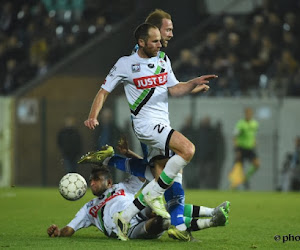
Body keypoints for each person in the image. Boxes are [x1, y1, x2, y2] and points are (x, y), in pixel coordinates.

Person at [83, 22, 218, 241]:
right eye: (154, 41)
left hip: (162, 124)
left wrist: (193, 83)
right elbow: (103, 91)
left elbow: (174, 89)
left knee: (169, 177)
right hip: (146, 126)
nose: (160, 43)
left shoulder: (163, 59)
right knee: (188, 150)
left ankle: (128, 213)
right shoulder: (126, 64)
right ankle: (156, 198)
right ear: (141, 42)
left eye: (160, 40)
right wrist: (93, 115)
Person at [47, 166, 228, 240]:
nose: (92, 183)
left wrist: (126, 155)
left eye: (96, 179)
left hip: (137, 212)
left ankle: (213, 211)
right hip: (128, 230)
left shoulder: (122, 186)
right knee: (161, 221)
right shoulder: (89, 208)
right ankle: (212, 221)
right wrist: (58, 232)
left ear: (109, 183)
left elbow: (141, 168)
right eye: (91, 180)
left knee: (164, 207)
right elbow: (70, 229)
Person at [229, 107, 260, 190]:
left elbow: (253, 135)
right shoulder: (240, 124)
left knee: (257, 164)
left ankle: (245, 178)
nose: (249, 115)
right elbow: (235, 137)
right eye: (247, 113)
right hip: (241, 148)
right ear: (245, 114)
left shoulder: (255, 124)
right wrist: (237, 150)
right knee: (239, 168)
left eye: (250, 113)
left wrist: (254, 141)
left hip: (250, 148)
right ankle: (234, 186)